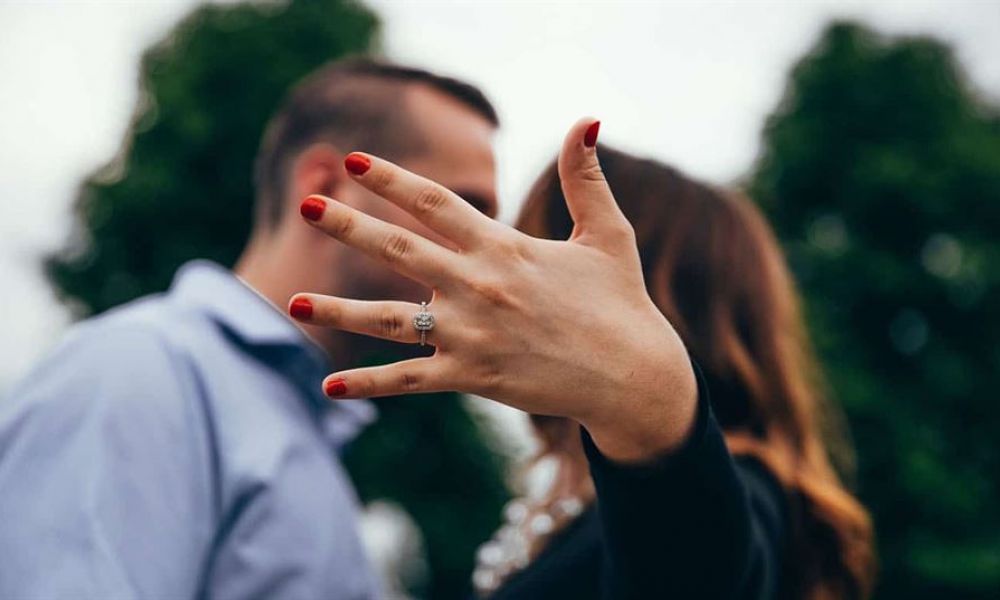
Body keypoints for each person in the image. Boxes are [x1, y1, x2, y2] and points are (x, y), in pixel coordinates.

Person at [290, 124, 875, 599]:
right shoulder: (571, 497)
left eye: (536, 248)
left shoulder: (744, 492)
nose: (500, 279)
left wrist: (650, 402)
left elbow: (696, 577)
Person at [0, 58, 500, 599]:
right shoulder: (136, 371)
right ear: (329, 186)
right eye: (460, 207)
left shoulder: (299, 419)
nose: (484, 249)